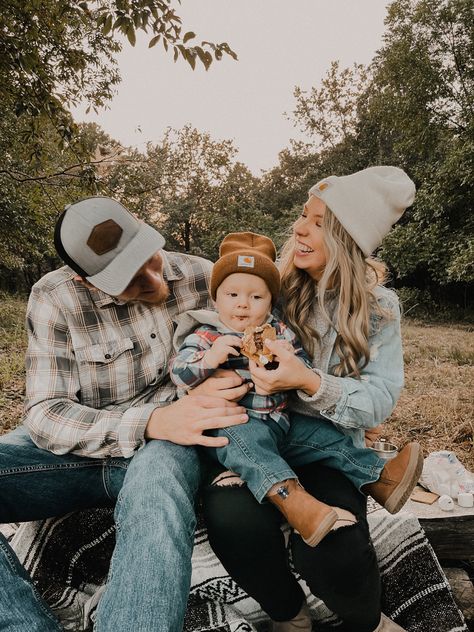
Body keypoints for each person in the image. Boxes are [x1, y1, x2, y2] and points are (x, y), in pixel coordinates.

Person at [0, 196, 249, 632]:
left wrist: (227, 377)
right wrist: (152, 420)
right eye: (131, 279)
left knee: (156, 495)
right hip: (85, 449)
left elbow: (266, 344)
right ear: (87, 280)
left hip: (171, 446)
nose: (155, 280)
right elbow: (44, 413)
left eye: (149, 258)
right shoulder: (55, 298)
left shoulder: (205, 275)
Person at [200, 167, 419, 632]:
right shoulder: (270, 290)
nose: (298, 228)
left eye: (318, 222)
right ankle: (288, 615)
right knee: (232, 521)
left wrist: (308, 382)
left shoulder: (379, 308)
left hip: (326, 448)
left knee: (334, 547)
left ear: (348, 240)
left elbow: (379, 400)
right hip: (257, 434)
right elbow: (218, 313)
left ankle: (369, 623)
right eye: (303, 215)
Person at [170, 231, 422, 548]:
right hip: (235, 426)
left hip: (279, 421)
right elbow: (179, 372)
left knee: (326, 438)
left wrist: (286, 366)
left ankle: (381, 479)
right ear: (216, 298)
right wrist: (208, 360)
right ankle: (295, 503)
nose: (243, 304)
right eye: (232, 295)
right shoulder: (206, 334)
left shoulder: (279, 332)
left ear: (271, 301)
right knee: (252, 446)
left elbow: (299, 363)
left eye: (256, 297)